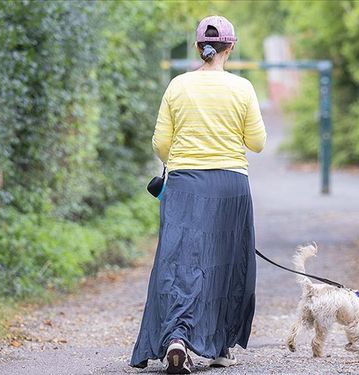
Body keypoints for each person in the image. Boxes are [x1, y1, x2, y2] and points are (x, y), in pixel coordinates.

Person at [130, 15, 266, 374]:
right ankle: (220, 346)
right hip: (230, 184)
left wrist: (182, 159)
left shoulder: (177, 86)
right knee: (225, 262)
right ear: (230, 48)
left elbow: (161, 144)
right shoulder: (242, 89)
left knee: (179, 263)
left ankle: (177, 337)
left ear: (198, 47)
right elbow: (257, 143)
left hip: (185, 184)